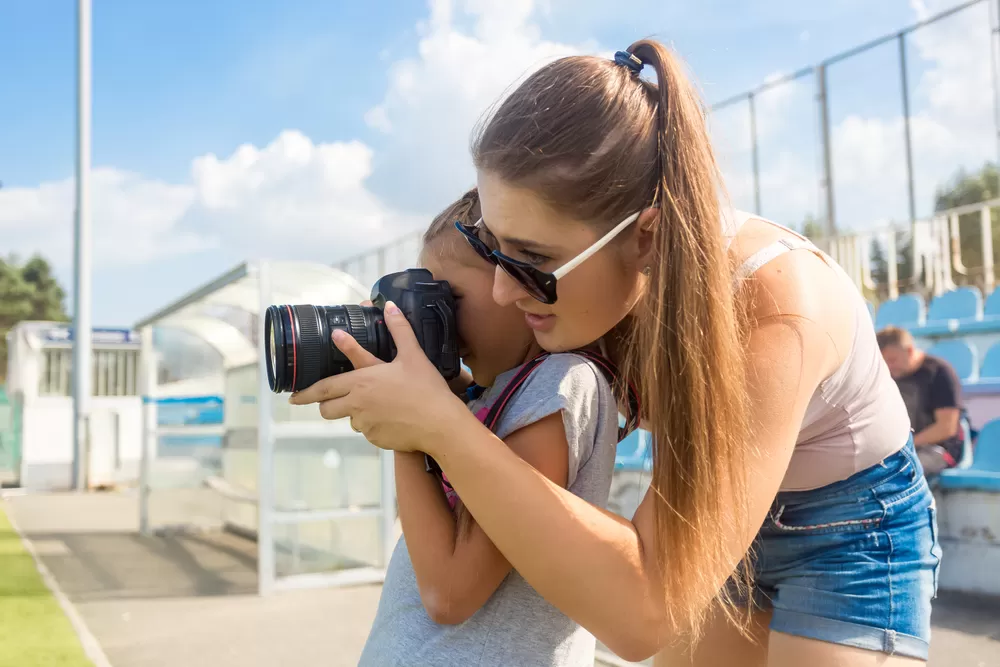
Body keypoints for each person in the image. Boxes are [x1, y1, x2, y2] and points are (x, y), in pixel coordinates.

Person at [293, 40, 940, 666]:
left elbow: (641, 615)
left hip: (849, 526)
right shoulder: (584, 287)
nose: (502, 289)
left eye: (533, 258)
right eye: (493, 246)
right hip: (705, 507)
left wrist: (437, 425)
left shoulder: (771, 306)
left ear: (646, 238)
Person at [358, 189, 629, 667]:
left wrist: (407, 426)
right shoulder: (490, 395)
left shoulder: (560, 383)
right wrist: (419, 391)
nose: (435, 319)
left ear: (519, 285)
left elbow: (449, 593)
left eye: (450, 298)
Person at [878, 326, 966, 475]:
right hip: (902, 449)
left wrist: (906, 445)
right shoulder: (887, 377)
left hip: (939, 449)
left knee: (900, 472)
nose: (889, 367)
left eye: (892, 360)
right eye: (884, 362)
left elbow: (946, 427)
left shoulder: (939, 372)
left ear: (909, 351)